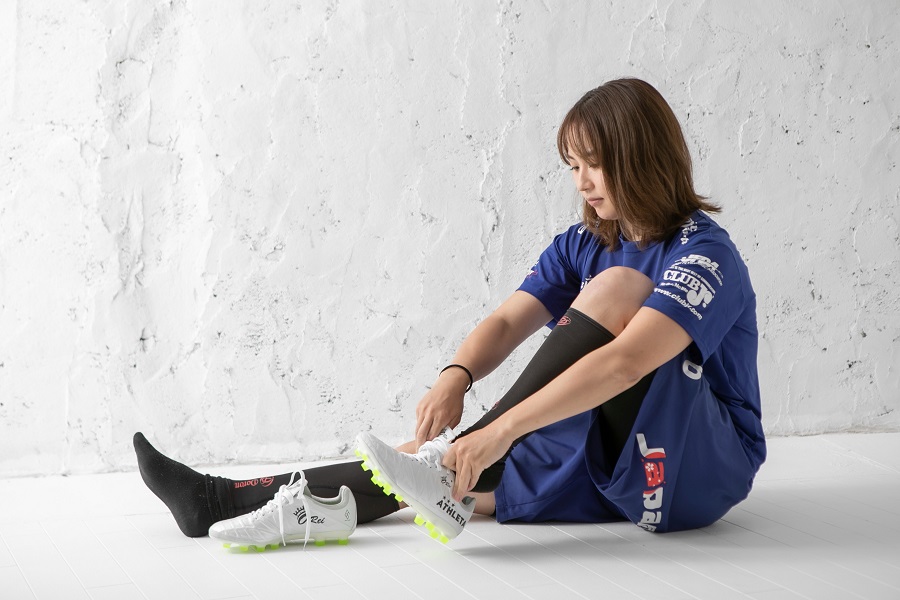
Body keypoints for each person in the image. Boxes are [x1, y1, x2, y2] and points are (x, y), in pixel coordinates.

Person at [135, 77, 766, 549]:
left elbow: (627, 363)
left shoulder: (703, 253)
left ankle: (463, 454)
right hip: (613, 459)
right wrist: (456, 375)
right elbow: (506, 323)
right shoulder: (585, 242)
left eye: (594, 164)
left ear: (640, 156)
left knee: (615, 293)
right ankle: (222, 500)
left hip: (696, 468)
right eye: (573, 166)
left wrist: (496, 432)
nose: (581, 183)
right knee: (438, 471)